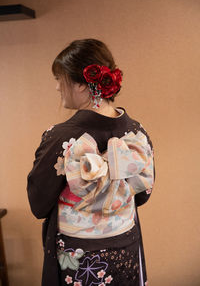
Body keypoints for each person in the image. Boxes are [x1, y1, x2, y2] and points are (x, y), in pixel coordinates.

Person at [27, 39, 155, 286]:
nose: (56, 88)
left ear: (81, 85)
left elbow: (39, 204)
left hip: (78, 255)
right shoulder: (136, 133)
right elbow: (142, 194)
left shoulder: (61, 138)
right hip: (125, 248)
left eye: (59, 79)